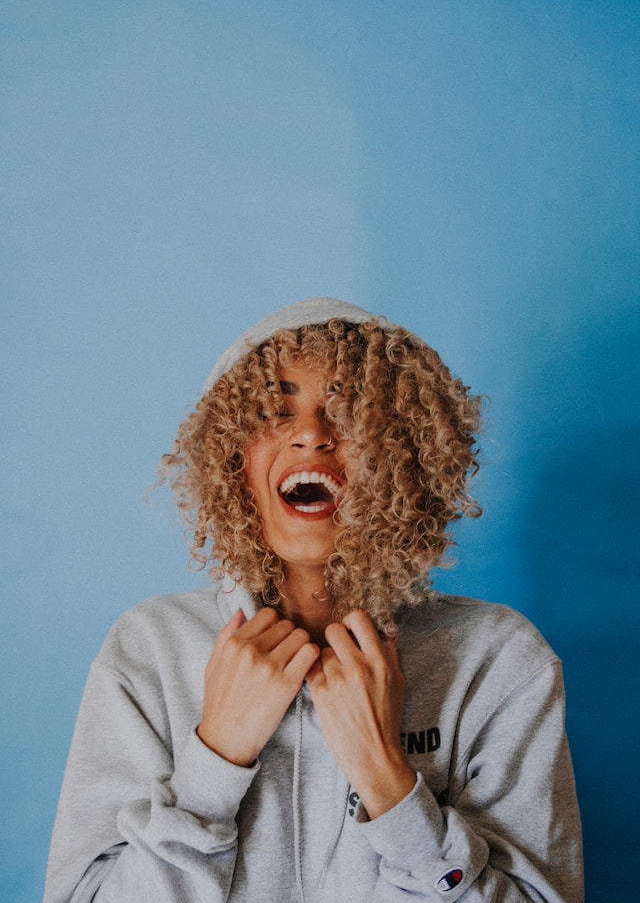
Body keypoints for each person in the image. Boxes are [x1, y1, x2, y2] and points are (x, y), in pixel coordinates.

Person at [44, 298, 583, 903]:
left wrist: (391, 784)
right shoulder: (148, 651)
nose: (310, 435)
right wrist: (213, 763)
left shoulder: (500, 662)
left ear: (403, 455)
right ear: (232, 459)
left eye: (350, 411)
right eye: (275, 411)